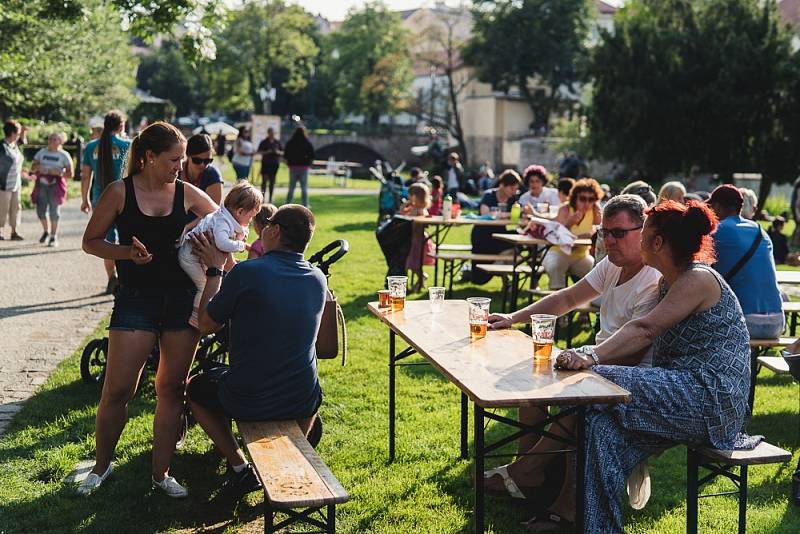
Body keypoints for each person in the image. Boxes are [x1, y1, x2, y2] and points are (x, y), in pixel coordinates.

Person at [516, 200, 751, 532]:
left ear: (657, 243)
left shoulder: (697, 278)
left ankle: (528, 470)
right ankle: (585, 521)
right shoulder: (670, 281)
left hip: (711, 398)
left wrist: (591, 357)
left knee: (590, 379)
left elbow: (645, 328)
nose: (635, 237)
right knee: (600, 428)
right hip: (684, 390)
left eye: (644, 232)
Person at [485, 194, 661, 499]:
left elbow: (634, 351)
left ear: (643, 232)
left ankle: (530, 475)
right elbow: (566, 298)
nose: (609, 241)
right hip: (598, 359)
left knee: (572, 399)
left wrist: (587, 359)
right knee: (534, 376)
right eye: (605, 232)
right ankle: (530, 471)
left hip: (629, 374)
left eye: (619, 233)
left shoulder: (652, 279)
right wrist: (513, 318)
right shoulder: (612, 265)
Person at [78, 122, 217, 497]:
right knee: (118, 389)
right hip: (136, 298)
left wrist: (197, 227)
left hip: (181, 301)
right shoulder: (119, 192)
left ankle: (161, 475)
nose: (181, 166)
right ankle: (100, 468)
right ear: (150, 156)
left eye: (183, 159)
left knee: (171, 388)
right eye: (174, 159)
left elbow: (226, 222)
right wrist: (126, 253)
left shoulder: (187, 193)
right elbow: (91, 241)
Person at [187, 204, 327, 493]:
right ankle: (289, 455)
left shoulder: (248, 272)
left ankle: (240, 467)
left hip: (250, 398)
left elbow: (205, 324)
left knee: (196, 388)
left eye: (267, 223)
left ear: (274, 231)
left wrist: (215, 270)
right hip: (303, 400)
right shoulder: (318, 279)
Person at [178, 181, 263, 327]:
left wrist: (241, 234)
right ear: (240, 212)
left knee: (211, 282)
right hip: (190, 257)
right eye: (251, 217)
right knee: (204, 285)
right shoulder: (223, 222)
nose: (250, 221)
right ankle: (197, 316)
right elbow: (221, 243)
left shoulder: (225, 217)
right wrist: (241, 245)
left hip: (196, 255)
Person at [708, 184, 784, 339]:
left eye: (710, 206)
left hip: (744, 322)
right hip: (777, 322)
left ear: (717, 207)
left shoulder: (717, 231)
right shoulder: (761, 232)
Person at [81, 110, 131, 293]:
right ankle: (125, 278)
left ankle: (112, 278)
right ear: (121, 126)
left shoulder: (91, 147)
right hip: (124, 199)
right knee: (125, 239)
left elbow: (86, 176)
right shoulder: (127, 144)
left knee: (106, 241)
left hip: (99, 199)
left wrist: (84, 199)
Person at [542, 178, 602, 289]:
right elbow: (556, 236)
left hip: (581, 256)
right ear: (575, 198)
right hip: (558, 252)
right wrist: (569, 223)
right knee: (555, 265)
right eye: (583, 199)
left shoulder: (595, 210)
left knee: (597, 271)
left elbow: (599, 233)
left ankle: (589, 303)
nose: (587, 203)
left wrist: (588, 234)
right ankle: (556, 301)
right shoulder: (565, 209)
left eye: (591, 199)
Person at [466, 170, 522, 285]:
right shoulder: (489, 195)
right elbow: (485, 213)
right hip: (483, 235)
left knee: (518, 242)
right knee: (479, 279)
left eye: (515, 189)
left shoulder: (513, 200)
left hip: (500, 234)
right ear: (502, 185)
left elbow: (516, 217)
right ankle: (498, 270)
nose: (514, 191)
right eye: (511, 188)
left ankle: (503, 275)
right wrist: (506, 214)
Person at [31, 132, 73, 247]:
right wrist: (38, 168)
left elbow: (71, 174)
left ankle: (54, 237)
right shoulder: (41, 153)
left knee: (54, 212)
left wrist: (59, 173)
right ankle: (46, 231)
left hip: (56, 186)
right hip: (42, 185)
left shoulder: (64, 155)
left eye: (55, 139)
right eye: (50, 139)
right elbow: (33, 168)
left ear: (60, 141)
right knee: (40, 211)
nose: (51, 141)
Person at [399, 183, 435, 291]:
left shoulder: (420, 210)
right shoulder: (414, 207)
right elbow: (402, 212)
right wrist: (406, 204)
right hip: (413, 240)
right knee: (411, 263)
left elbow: (422, 223)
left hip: (419, 241)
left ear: (414, 196)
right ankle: (420, 280)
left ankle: (421, 278)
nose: (408, 197)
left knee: (414, 263)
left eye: (409, 195)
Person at [181, 133, 224, 215]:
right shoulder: (177, 170)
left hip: (203, 224)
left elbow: (212, 213)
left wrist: (188, 227)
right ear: (187, 155)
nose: (203, 165)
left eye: (208, 161)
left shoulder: (213, 175)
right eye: (197, 160)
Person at [0, 120, 26, 241]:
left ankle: (14, 231)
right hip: (3, 184)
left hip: (16, 184)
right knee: (2, 208)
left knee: (15, 208)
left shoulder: (15, 145)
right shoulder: (2, 147)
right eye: (18, 132)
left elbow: (23, 142)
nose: (20, 134)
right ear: (12, 133)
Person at [284, 126, 314, 207]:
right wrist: (308, 164)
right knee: (304, 188)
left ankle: (287, 203)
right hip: (304, 167)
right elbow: (312, 155)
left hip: (293, 167)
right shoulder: (307, 142)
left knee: (291, 188)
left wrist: (289, 163)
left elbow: (286, 155)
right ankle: (305, 204)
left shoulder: (291, 142)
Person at [256, 127, 283, 202]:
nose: (272, 135)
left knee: (272, 181)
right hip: (266, 163)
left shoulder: (277, 142)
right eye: (270, 133)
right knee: (264, 181)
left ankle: (271, 198)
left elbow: (282, 152)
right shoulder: (264, 142)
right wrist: (267, 152)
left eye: (273, 133)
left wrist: (277, 152)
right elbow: (259, 152)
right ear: (268, 133)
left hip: (274, 163)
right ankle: (263, 197)